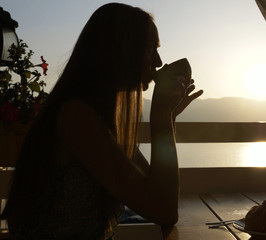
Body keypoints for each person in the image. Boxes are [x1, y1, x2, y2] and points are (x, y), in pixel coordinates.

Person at [1, 3, 203, 240]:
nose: (158, 62)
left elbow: (159, 196)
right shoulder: (78, 117)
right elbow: (164, 210)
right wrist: (160, 120)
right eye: (150, 48)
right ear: (118, 50)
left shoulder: (100, 119)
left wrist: (167, 118)